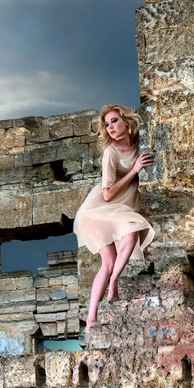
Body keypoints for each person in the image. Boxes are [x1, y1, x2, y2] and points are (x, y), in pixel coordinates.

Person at [73, 104, 155, 332]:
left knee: (118, 252)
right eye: (107, 124)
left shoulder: (139, 145)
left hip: (123, 209)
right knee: (116, 251)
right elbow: (107, 194)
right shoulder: (111, 152)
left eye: (114, 121)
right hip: (100, 210)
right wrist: (134, 170)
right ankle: (98, 306)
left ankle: (94, 315)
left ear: (127, 123)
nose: (110, 127)